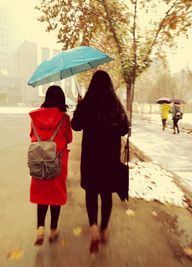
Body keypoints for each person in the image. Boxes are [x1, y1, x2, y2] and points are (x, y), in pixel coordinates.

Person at [71, 70, 129, 253]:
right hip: (110, 158)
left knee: (91, 193)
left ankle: (94, 228)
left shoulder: (87, 103)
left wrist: (79, 107)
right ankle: (104, 229)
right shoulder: (115, 103)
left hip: (91, 158)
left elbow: (75, 125)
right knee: (106, 194)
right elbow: (124, 129)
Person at [29, 85, 72, 245]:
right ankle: (53, 230)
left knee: (42, 195)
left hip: (39, 160)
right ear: (61, 99)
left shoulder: (35, 117)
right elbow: (69, 138)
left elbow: (32, 135)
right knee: (55, 196)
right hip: (58, 161)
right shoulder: (64, 118)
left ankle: (40, 229)